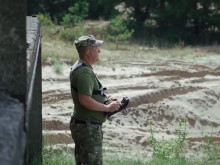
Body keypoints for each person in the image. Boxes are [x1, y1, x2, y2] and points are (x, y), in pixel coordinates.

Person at [69, 35, 120, 165]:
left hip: (84, 125)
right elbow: (85, 100)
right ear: (87, 52)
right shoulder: (84, 72)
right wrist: (107, 108)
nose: (100, 51)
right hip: (88, 128)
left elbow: (90, 95)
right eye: (97, 48)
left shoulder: (81, 67)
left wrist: (106, 101)